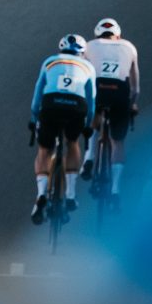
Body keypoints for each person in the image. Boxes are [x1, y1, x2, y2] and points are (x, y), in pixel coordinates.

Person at [30, 33, 97, 224]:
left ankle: (42, 193)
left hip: (51, 105)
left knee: (44, 149)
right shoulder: (88, 67)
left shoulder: (50, 61)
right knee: (73, 142)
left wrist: (34, 117)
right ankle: (70, 193)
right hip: (76, 106)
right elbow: (92, 100)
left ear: (61, 49)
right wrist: (87, 124)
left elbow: (38, 92)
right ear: (83, 53)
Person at [81, 15, 140, 188]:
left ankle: (89, 156)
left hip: (97, 89)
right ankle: (115, 189)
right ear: (118, 35)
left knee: (93, 114)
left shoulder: (89, 46)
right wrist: (132, 104)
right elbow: (136, 87)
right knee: (118, 142)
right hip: (120, 91)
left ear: (98, 35)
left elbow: (82, 75)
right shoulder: (129, 46)